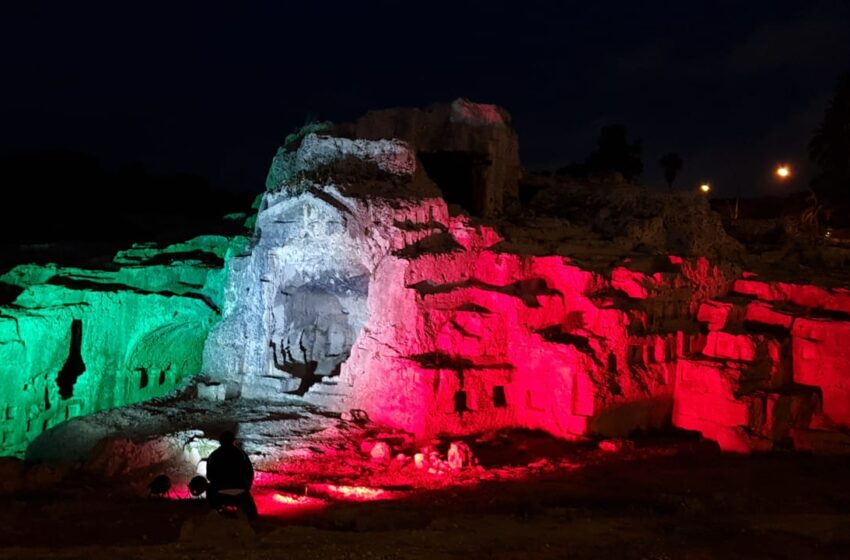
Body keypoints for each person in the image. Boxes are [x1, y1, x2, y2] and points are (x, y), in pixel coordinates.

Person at [205, 431, 258, 519]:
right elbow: (250, 473)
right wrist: (246, 488)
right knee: (252, 514)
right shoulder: (241, 454)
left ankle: (214, 512)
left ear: (220, 441)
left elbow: (209, 476)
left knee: (209, 489)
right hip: (240, 492)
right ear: (233, 441)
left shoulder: (214, 456)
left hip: (219, 493)